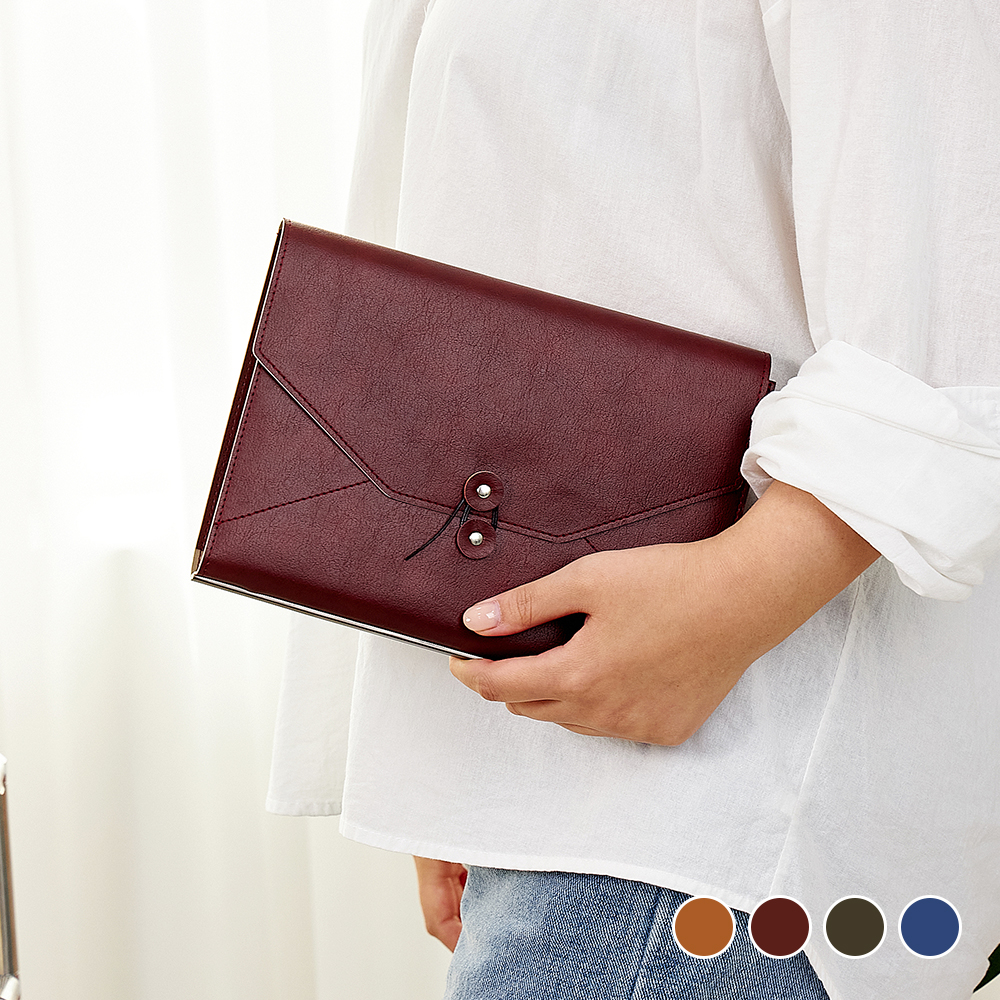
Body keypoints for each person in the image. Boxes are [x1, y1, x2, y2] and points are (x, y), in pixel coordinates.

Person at [266, 0, 1000, 996]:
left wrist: (732, 599)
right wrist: (455, 764)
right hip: (576, 781)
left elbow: (954, 277)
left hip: (718, 790)